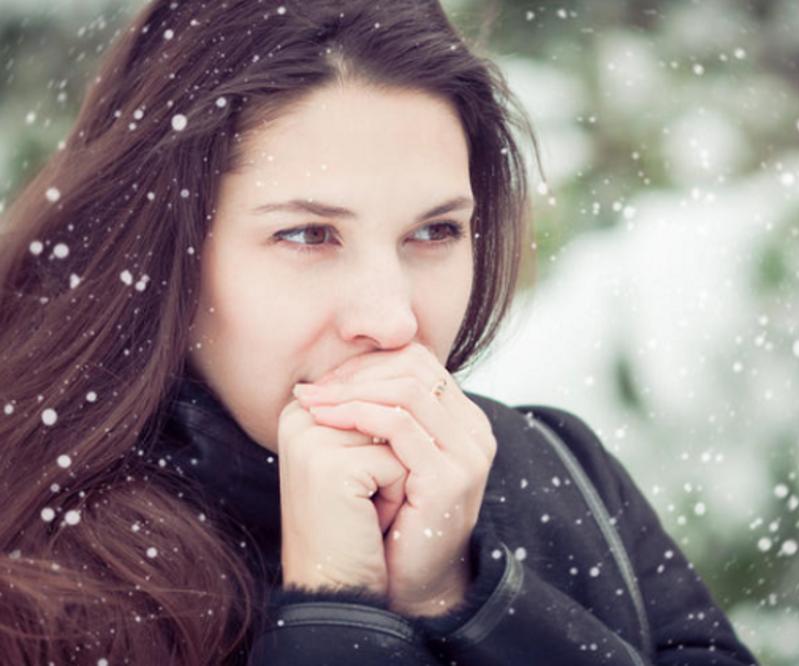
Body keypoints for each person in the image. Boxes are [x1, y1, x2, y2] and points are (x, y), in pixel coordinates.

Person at [0, 1, 759, 663]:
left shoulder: (563, 480)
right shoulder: (29, 571)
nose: (394, 320)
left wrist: (462, 598)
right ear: (167, 252)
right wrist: (336, 608)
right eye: (308, 235)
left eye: (434, 232)